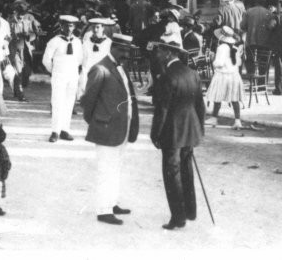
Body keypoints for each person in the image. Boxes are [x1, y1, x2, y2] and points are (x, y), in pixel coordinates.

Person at [79, 32, 139, 226]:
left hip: (122, 127)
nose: (126, 54)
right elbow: (88, 101)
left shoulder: (120, 67)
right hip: (107, 128)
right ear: (112, 47)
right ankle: (104, 210)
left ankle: (112, 203)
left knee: (116, 168)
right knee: (106, 169)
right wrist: (98, 121)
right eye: (122, 50)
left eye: (128, 51)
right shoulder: (100, 69)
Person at [148, 30, 205, 230]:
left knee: (172, 174)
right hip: (191, 130)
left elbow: (161, 111)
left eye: (161, 50)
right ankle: (190, 211)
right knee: (186, 170)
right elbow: (200, 106)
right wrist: (200, 129)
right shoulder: (193, 74)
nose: (158, 54)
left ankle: (178, 218)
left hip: (172, 133)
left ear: (170, 53)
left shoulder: (166, 77)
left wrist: (154, 134)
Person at [43, 15, 83, 142]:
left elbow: (79, 59)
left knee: (69, 102)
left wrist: (73, 71)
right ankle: (55, 131)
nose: (69, 28)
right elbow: (46, 60)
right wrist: (54, 71)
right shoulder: (54, 41)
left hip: (72, 76)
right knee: (57, 102)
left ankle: (65, 130)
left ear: (74, 27)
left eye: (71, 26)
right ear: (61, 26)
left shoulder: (77, 42)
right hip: (59, 76)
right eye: (66, 25)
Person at [205, 26, 245, 130]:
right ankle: (237, 120)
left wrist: (213, 59)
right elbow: (238, 63)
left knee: (217, 96)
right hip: (234, 75)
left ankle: (214, 117)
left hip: (223, 74)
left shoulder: (221, 48)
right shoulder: (235, 47)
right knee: (234, 98)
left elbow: (219, 63)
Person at [8, 0, 40, 96]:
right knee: (17, 69)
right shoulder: (9, 21)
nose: (20, 15)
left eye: (23, 13)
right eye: (18, 12)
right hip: (15, 48)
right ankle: (18, 91)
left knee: (26, 70)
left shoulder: (29, 20)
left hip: (26, 48)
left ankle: (20, 87)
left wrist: (28, 36)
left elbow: (35, 33)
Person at [79, 17, 112, 98]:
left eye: (98, 27)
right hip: (88, 72)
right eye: (93, 27)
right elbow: (82, 59)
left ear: (103, 28)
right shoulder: (86, 43)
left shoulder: (108, 43)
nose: (95, 30)